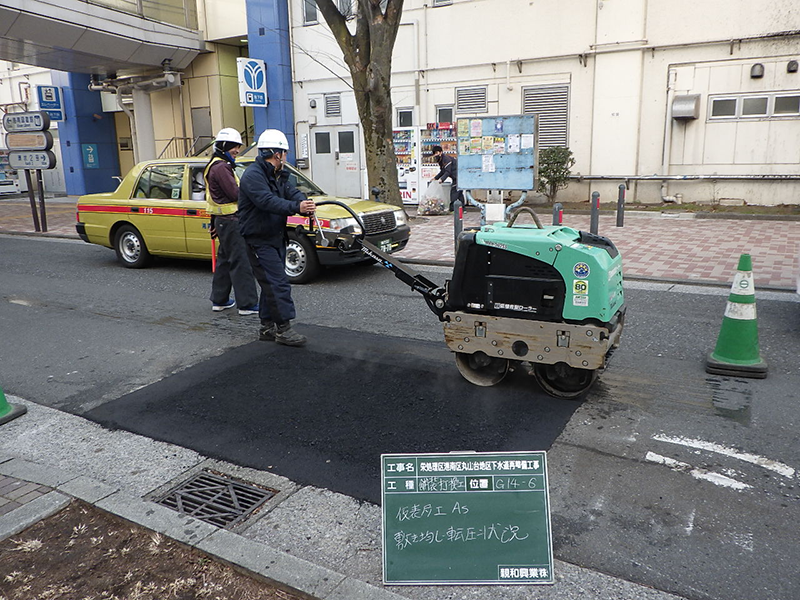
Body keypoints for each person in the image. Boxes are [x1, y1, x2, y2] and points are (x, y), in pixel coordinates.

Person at [238, 129, 316, 347]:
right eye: (284, 152)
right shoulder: (254, 176)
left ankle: (266, 327)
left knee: (270, 283)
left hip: (274, 236)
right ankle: (283, 329)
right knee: (277, 283)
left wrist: (304, 203)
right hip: (258, 238)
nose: (286, 156)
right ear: (277, 153)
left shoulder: (277, 175)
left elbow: (292, 192)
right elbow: (267, 201)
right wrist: (295, 207)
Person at [204, 128, 260, 315]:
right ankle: (247, 304)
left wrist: (214, 224)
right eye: (235, 146)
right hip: (232, 221)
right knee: (240, 261)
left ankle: (219, 300)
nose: (237, 150)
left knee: (225, 261)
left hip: (223, 222)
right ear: (225, 146)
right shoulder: (221, 167)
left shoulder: (216, 164)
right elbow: (235, 194)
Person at [431, 145, 464, 212]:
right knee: (459, 192)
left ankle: (452, 209)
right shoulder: (440, 160)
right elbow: (443, 171)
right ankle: (463, 209)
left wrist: (442, 179)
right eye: (434, 153)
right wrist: (435, 178)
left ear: (441, 152)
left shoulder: (446, 159)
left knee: (454, 192)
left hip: (459, 176)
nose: (435, 155)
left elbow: (447, 172)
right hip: (457, 176)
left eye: (437, 153)